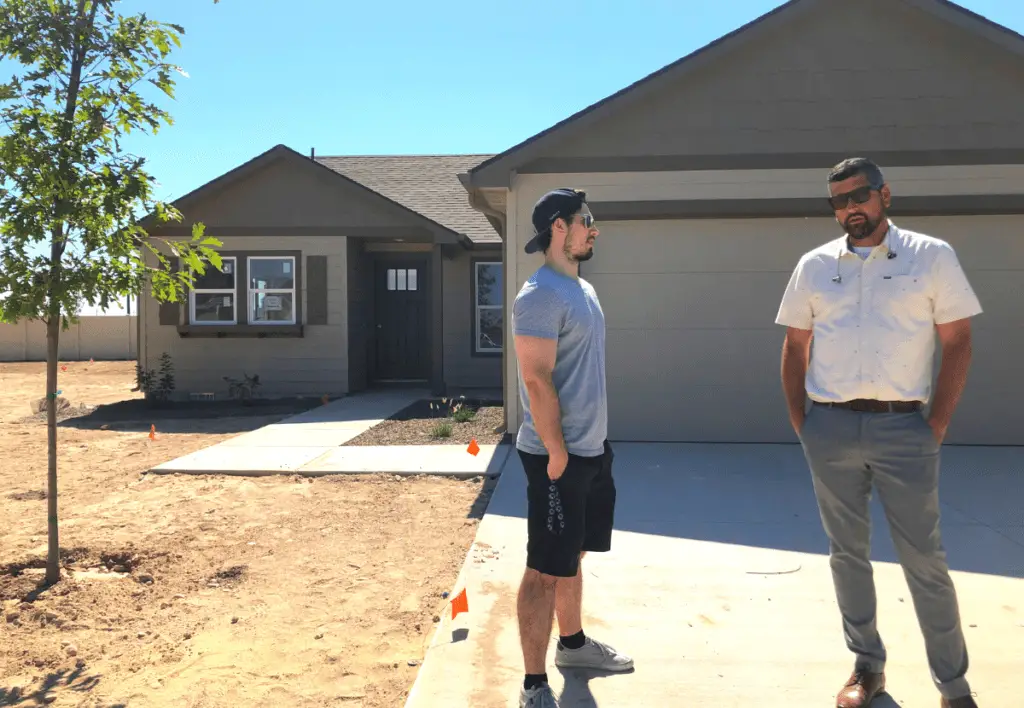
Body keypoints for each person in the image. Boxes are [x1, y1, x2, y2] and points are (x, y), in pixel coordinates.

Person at [775, 157, 982, 708]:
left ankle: (953, 686)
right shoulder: (815, 266)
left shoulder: (931, 257)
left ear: (885, 195)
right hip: (831, 429)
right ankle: (868, 668)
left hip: (904, 429)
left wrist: (935, 423)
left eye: (859, 196)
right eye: (838, 201)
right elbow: (795, 347)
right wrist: (806, 424)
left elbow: (957, 339)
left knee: (925, 561)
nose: (850, 209)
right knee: (847, 554)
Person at [511, 188, 633, 708]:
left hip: (590, 448)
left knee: (571, 554)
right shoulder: (540, 294)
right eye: (587, 220)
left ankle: (574, 646)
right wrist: (557, 452)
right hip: (555, 455)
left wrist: (587, 447)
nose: (593, 229)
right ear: (559, 227)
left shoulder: (582, 290)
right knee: (543, 566)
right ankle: (534, 684)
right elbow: (536, 380)